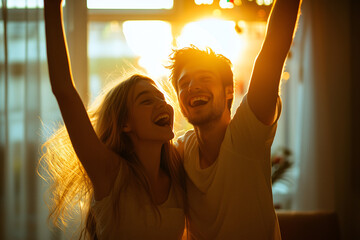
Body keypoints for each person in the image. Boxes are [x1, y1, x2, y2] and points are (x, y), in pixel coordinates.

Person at [40, 0, 188, 239]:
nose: (162, 104)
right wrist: (52, 7)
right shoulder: (110, 173)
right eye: (146, 100)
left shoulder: (178, 172)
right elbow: (64, 91)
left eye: (161, 98)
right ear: (124, 124)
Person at [167, 0, 302, 239]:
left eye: (204, 78)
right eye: (184, 83)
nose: (193, 86)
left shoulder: (247, 133)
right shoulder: (181, 150)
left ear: (229, 91)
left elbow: (275, 45)